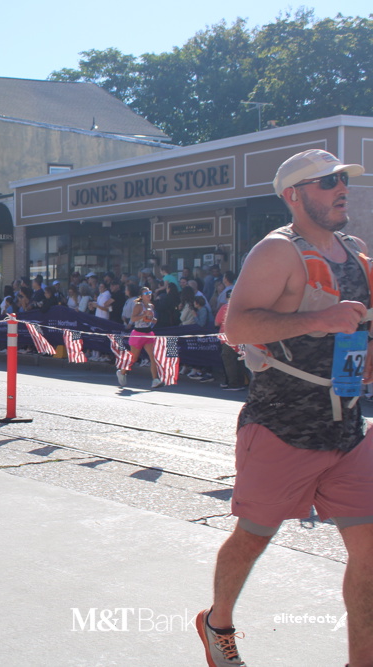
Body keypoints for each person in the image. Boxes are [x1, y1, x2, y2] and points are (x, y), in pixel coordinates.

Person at [197, 149, 373, 667]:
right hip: (281, 427)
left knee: (370, 552)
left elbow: (359, 325)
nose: (341, 189)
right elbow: (237, 327)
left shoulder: (357, 253)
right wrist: (319, 320)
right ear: (294, 195)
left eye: (343, 180)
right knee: (252, 539)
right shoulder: (277, 252)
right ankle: (216, 623)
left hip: (348, 429)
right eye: (327, 182)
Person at [116, 287, 162, 389]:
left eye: (149, 292)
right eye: (146, 293)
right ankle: (122, 372)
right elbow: (133, 318)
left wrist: (152, 319)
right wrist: (143, 315)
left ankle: (155, 380)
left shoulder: (151, 306)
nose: (149, 295)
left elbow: (150, 319)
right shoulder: (138, 306)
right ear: (141, 296)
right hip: (138, 334)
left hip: (148, 333)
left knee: (153, 357)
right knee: (134, 358)